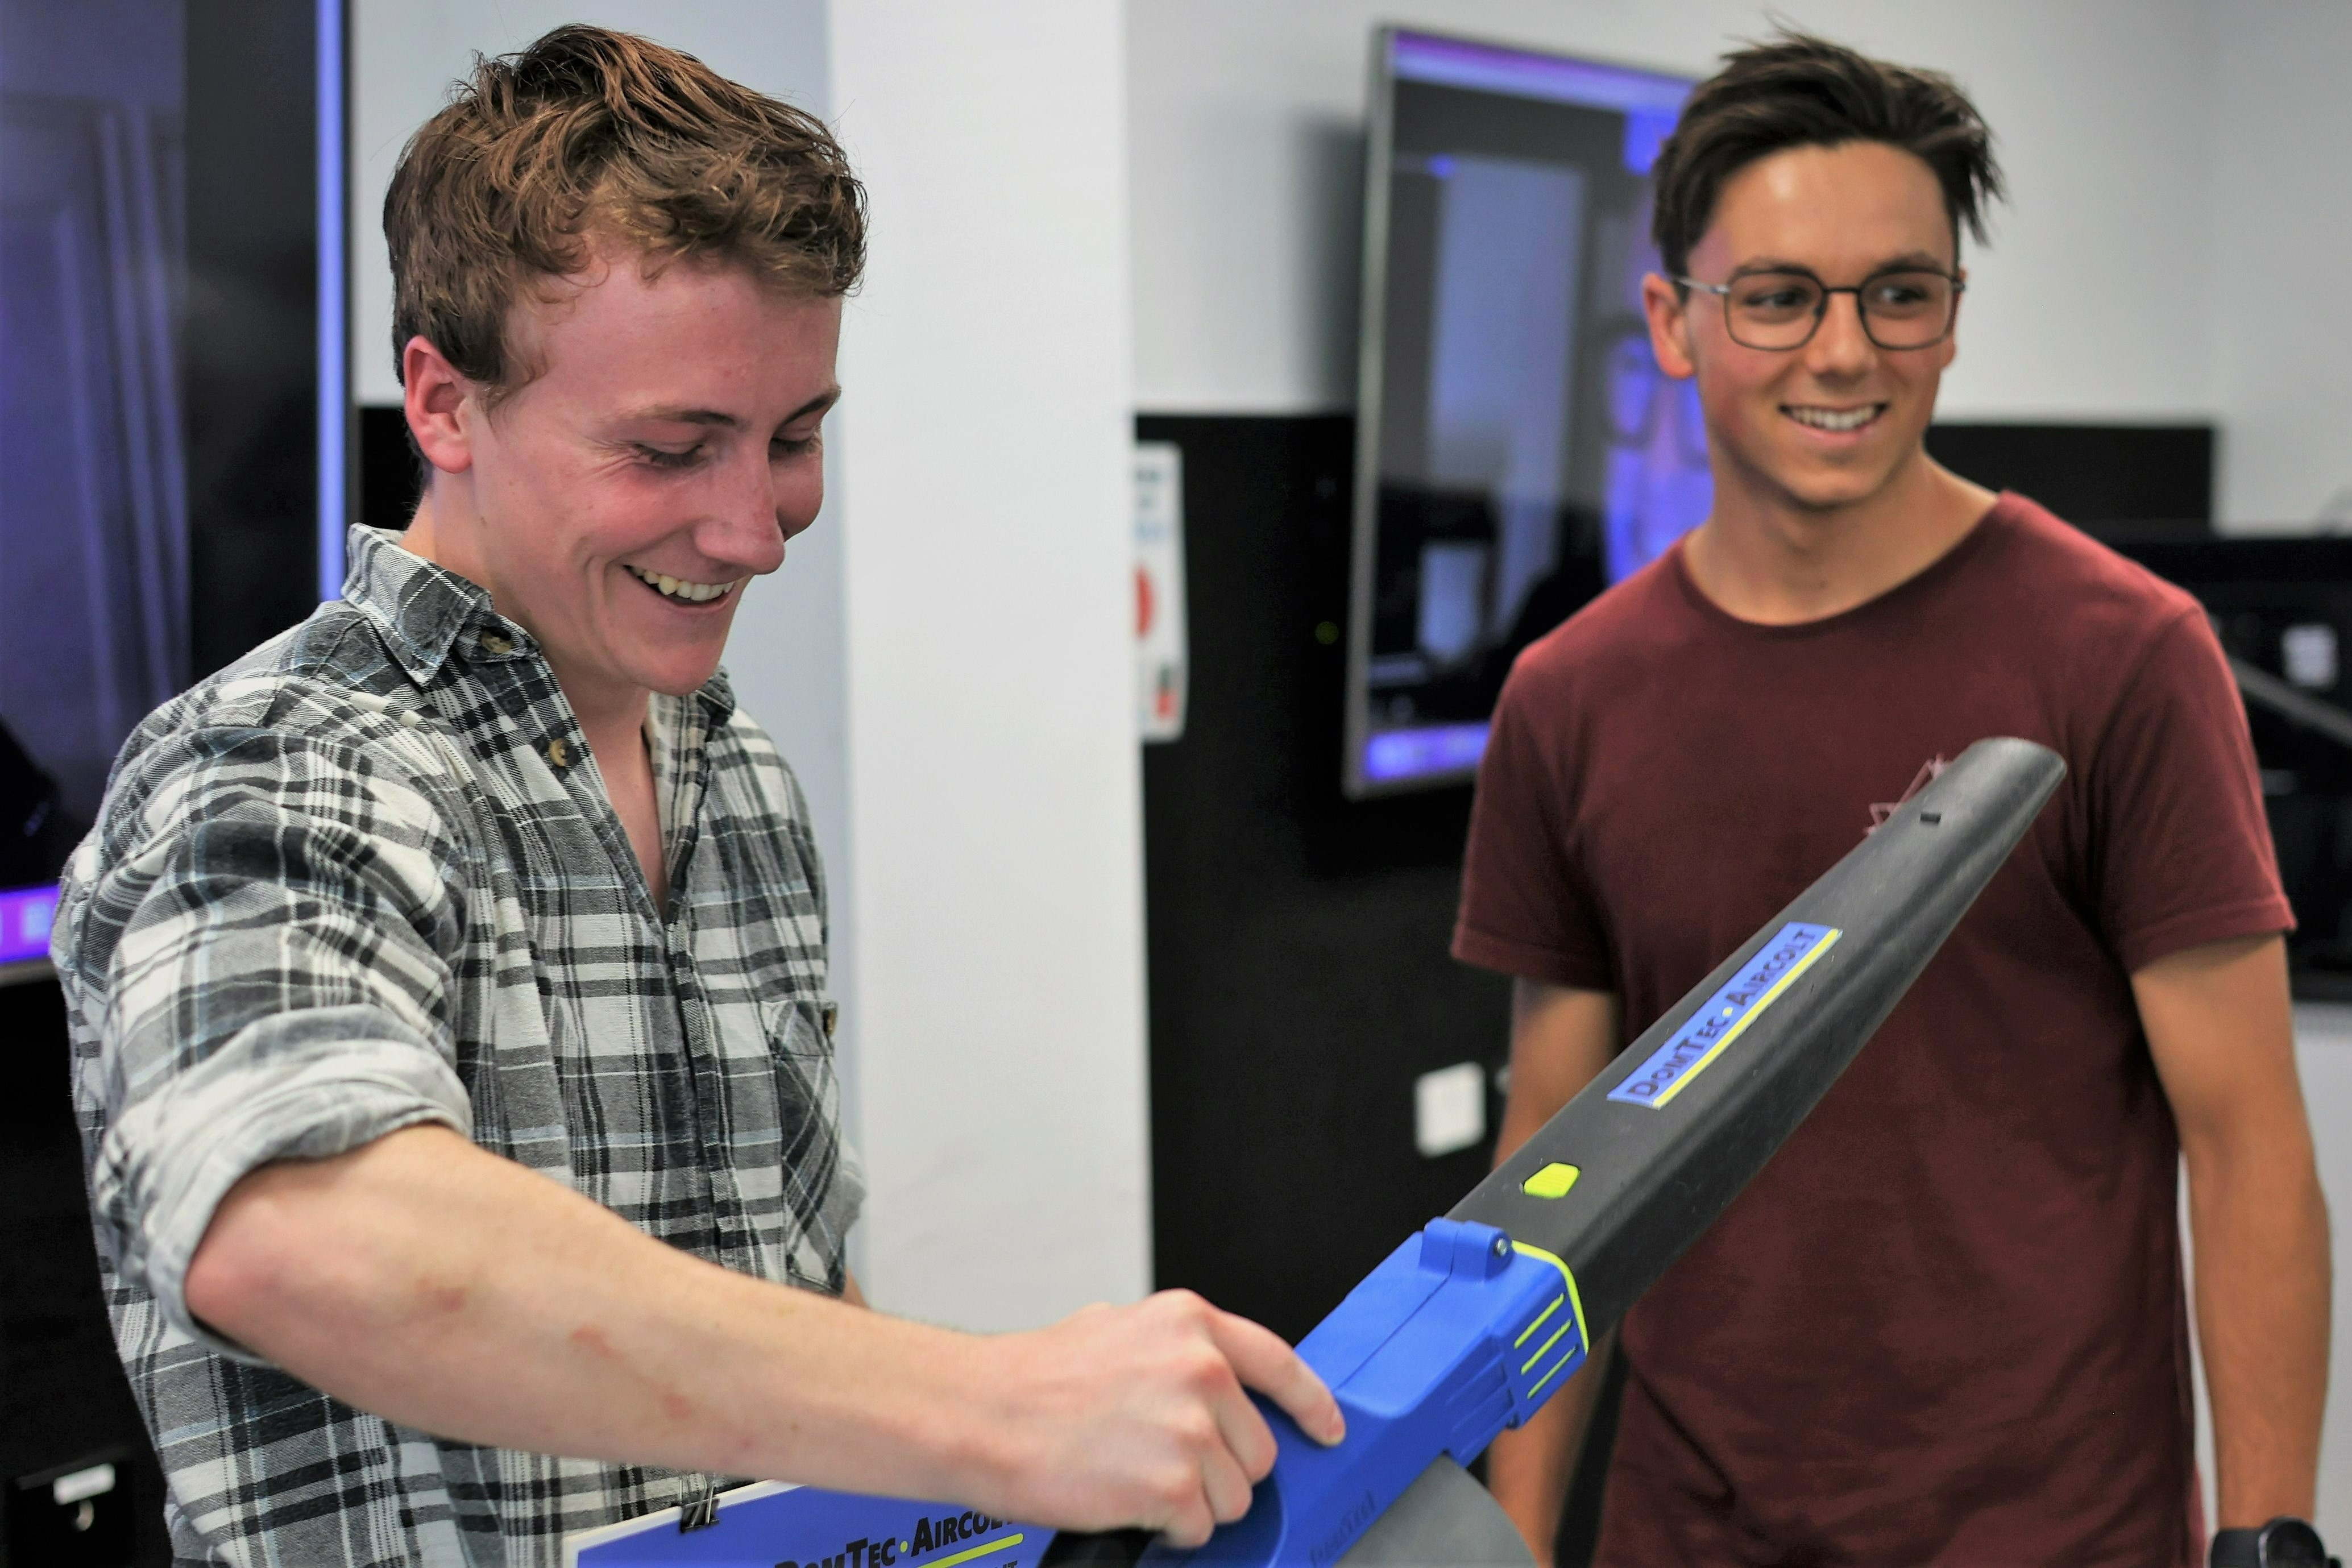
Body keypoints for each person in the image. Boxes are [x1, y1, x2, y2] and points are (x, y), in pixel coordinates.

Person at [55, 26, 1340, 1566]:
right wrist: (994, 1408)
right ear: (445, 403)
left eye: (795, 438)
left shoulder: (729, 767)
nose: (756, 529)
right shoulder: (276, 761)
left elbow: (782, 1289)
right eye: (673, 448)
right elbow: (300, 1235)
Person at [1457, 32, 2332, 1568]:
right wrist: (1509, 1546)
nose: (1844, 352)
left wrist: (2267, 1540)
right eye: (1780, 296)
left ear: (1947, 319)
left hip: (2054, 1534)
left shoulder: (2119, 654)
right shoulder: (1569, 698)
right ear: (1671, 322)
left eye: (1899, 293)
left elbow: (2245, 1138)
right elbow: (1552, 1163)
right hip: (1692, 1534)